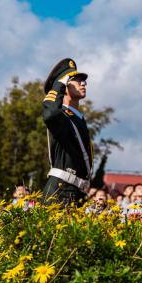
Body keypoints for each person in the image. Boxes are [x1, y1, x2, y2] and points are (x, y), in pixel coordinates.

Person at [41, 58, 94, 204]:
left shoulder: (76, 118)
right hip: (60, 191)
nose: (83, 83)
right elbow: (50, 113)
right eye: (76, 80)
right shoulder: (61, 117)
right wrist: (59, 84)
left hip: (76, 191)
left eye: (83, 81)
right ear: (64, 87)